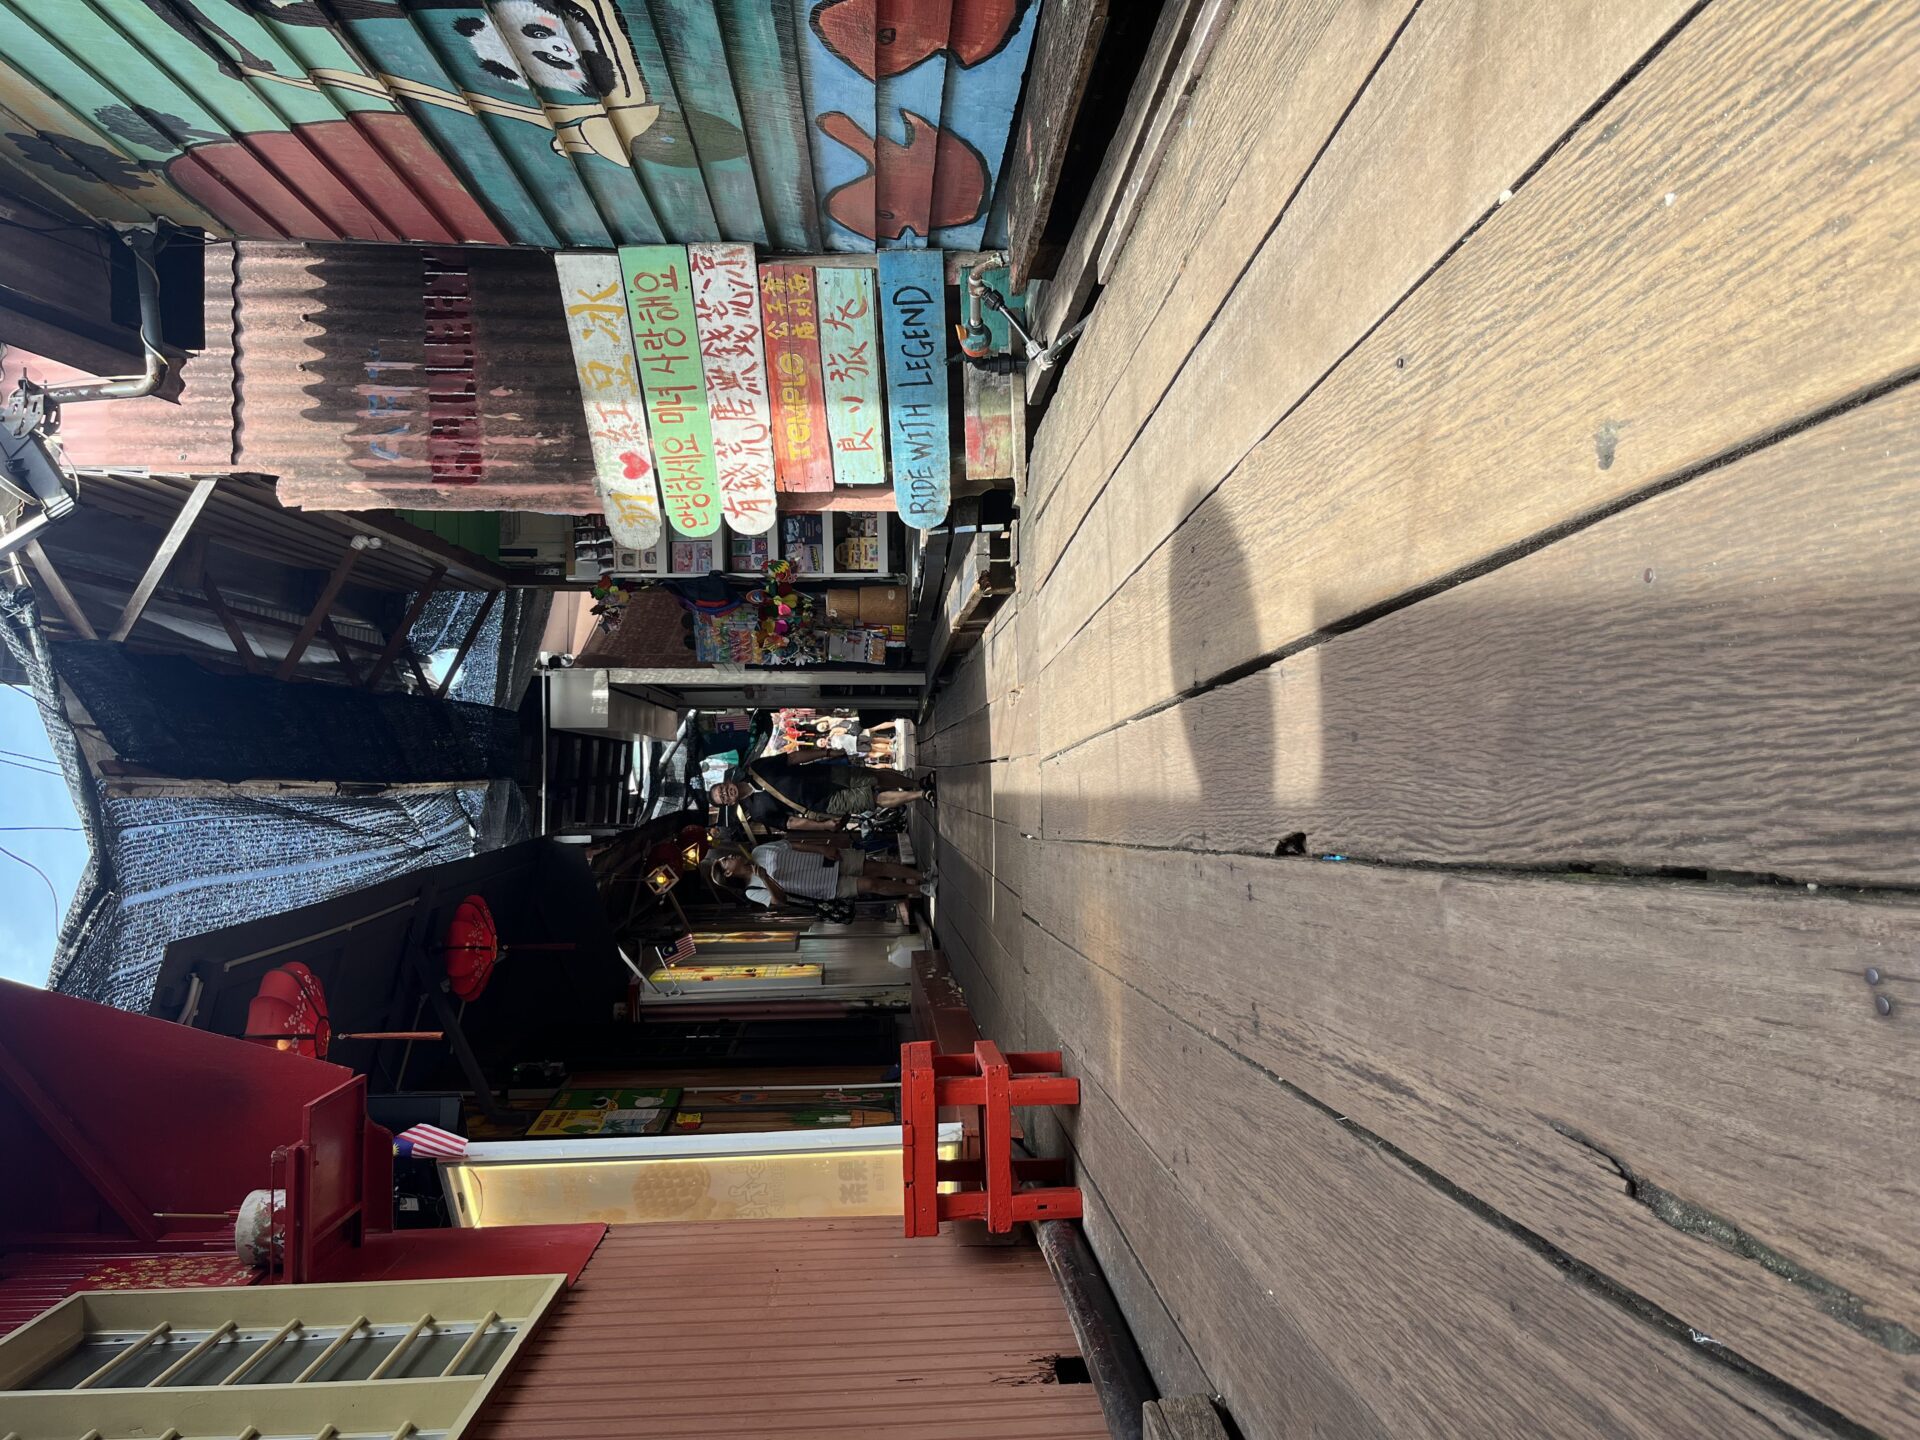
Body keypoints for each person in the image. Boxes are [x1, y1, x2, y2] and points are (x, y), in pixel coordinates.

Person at [708, 749, 933, 829]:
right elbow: (790, 822)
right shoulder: (757, 813)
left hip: (824, 775)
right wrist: (823, 826)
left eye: (722, 789)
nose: (726, 794)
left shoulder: (757, 767)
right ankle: (921, 794)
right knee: (871, 799)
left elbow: (793, 758)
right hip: (822, 804)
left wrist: (825, 753)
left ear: (727, 782)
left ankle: (916, 783)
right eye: (723, 798)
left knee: (873, 777)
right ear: (729, 804)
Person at [707, 838, 929, 906]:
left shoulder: (758, 851)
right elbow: (780, 901)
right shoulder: (751, 890)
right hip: (822, 887)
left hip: (824, 860)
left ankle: (922, 876)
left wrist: (822, 847)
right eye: (727, 861)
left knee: (874, 867)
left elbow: (791, 845)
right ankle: (919, 889)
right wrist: (765, 878)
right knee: (872, 885)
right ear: (728, 874)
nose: (731, 857)